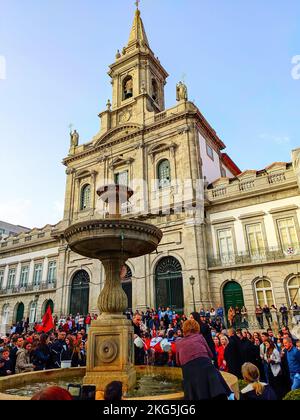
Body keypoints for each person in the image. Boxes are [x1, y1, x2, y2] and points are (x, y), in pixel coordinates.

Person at [176, 320, 232, 400]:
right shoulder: (200, 337)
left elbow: (178, 362)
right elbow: (210, 354)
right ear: (197, 328)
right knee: (214, 371)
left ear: (184, 329)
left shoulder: (178, 343)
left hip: (190, 376)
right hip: (207, 372)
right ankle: (230, 394)